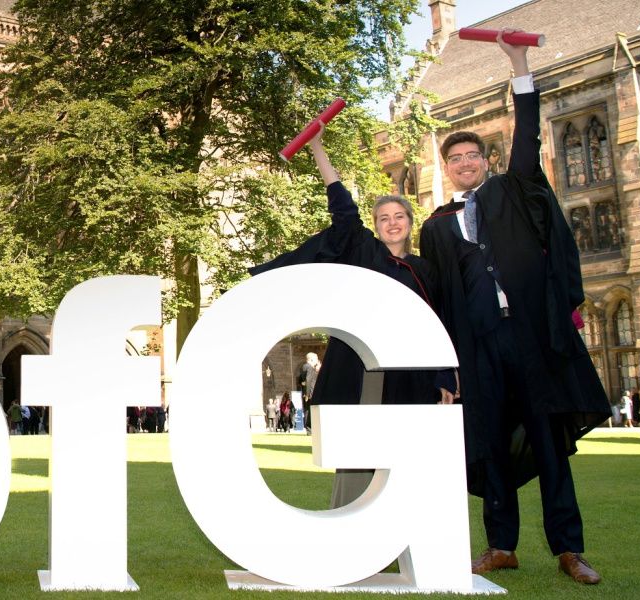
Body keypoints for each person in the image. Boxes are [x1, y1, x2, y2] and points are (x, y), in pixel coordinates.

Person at [417, 30, 610, 585]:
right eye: (455, 158)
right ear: (447, 168)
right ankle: (501, 545)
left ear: (485, 161)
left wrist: (519, 65)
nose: (465, 164)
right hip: (480, 351)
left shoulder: (511, 193)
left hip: (529, 340)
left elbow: (528, 141)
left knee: (550, 448)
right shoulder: (437, 226)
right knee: (492, 448)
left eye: (473, 155)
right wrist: (445, 367)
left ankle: (569, 549)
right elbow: (437, 295)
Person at [249, 121, 445, 506]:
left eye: (399, 217)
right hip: (364, 369)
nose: (392, 223)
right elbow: (342, 209)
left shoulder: (425, 271)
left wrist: (443, 376)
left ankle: (401, 533)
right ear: (376, 226)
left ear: (410, 222)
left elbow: (437, 327)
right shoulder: (364, 252)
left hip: (411, 375)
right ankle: (350, 523)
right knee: (360, 451)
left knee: (406, 456)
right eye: (384, 218)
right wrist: (318, 149)